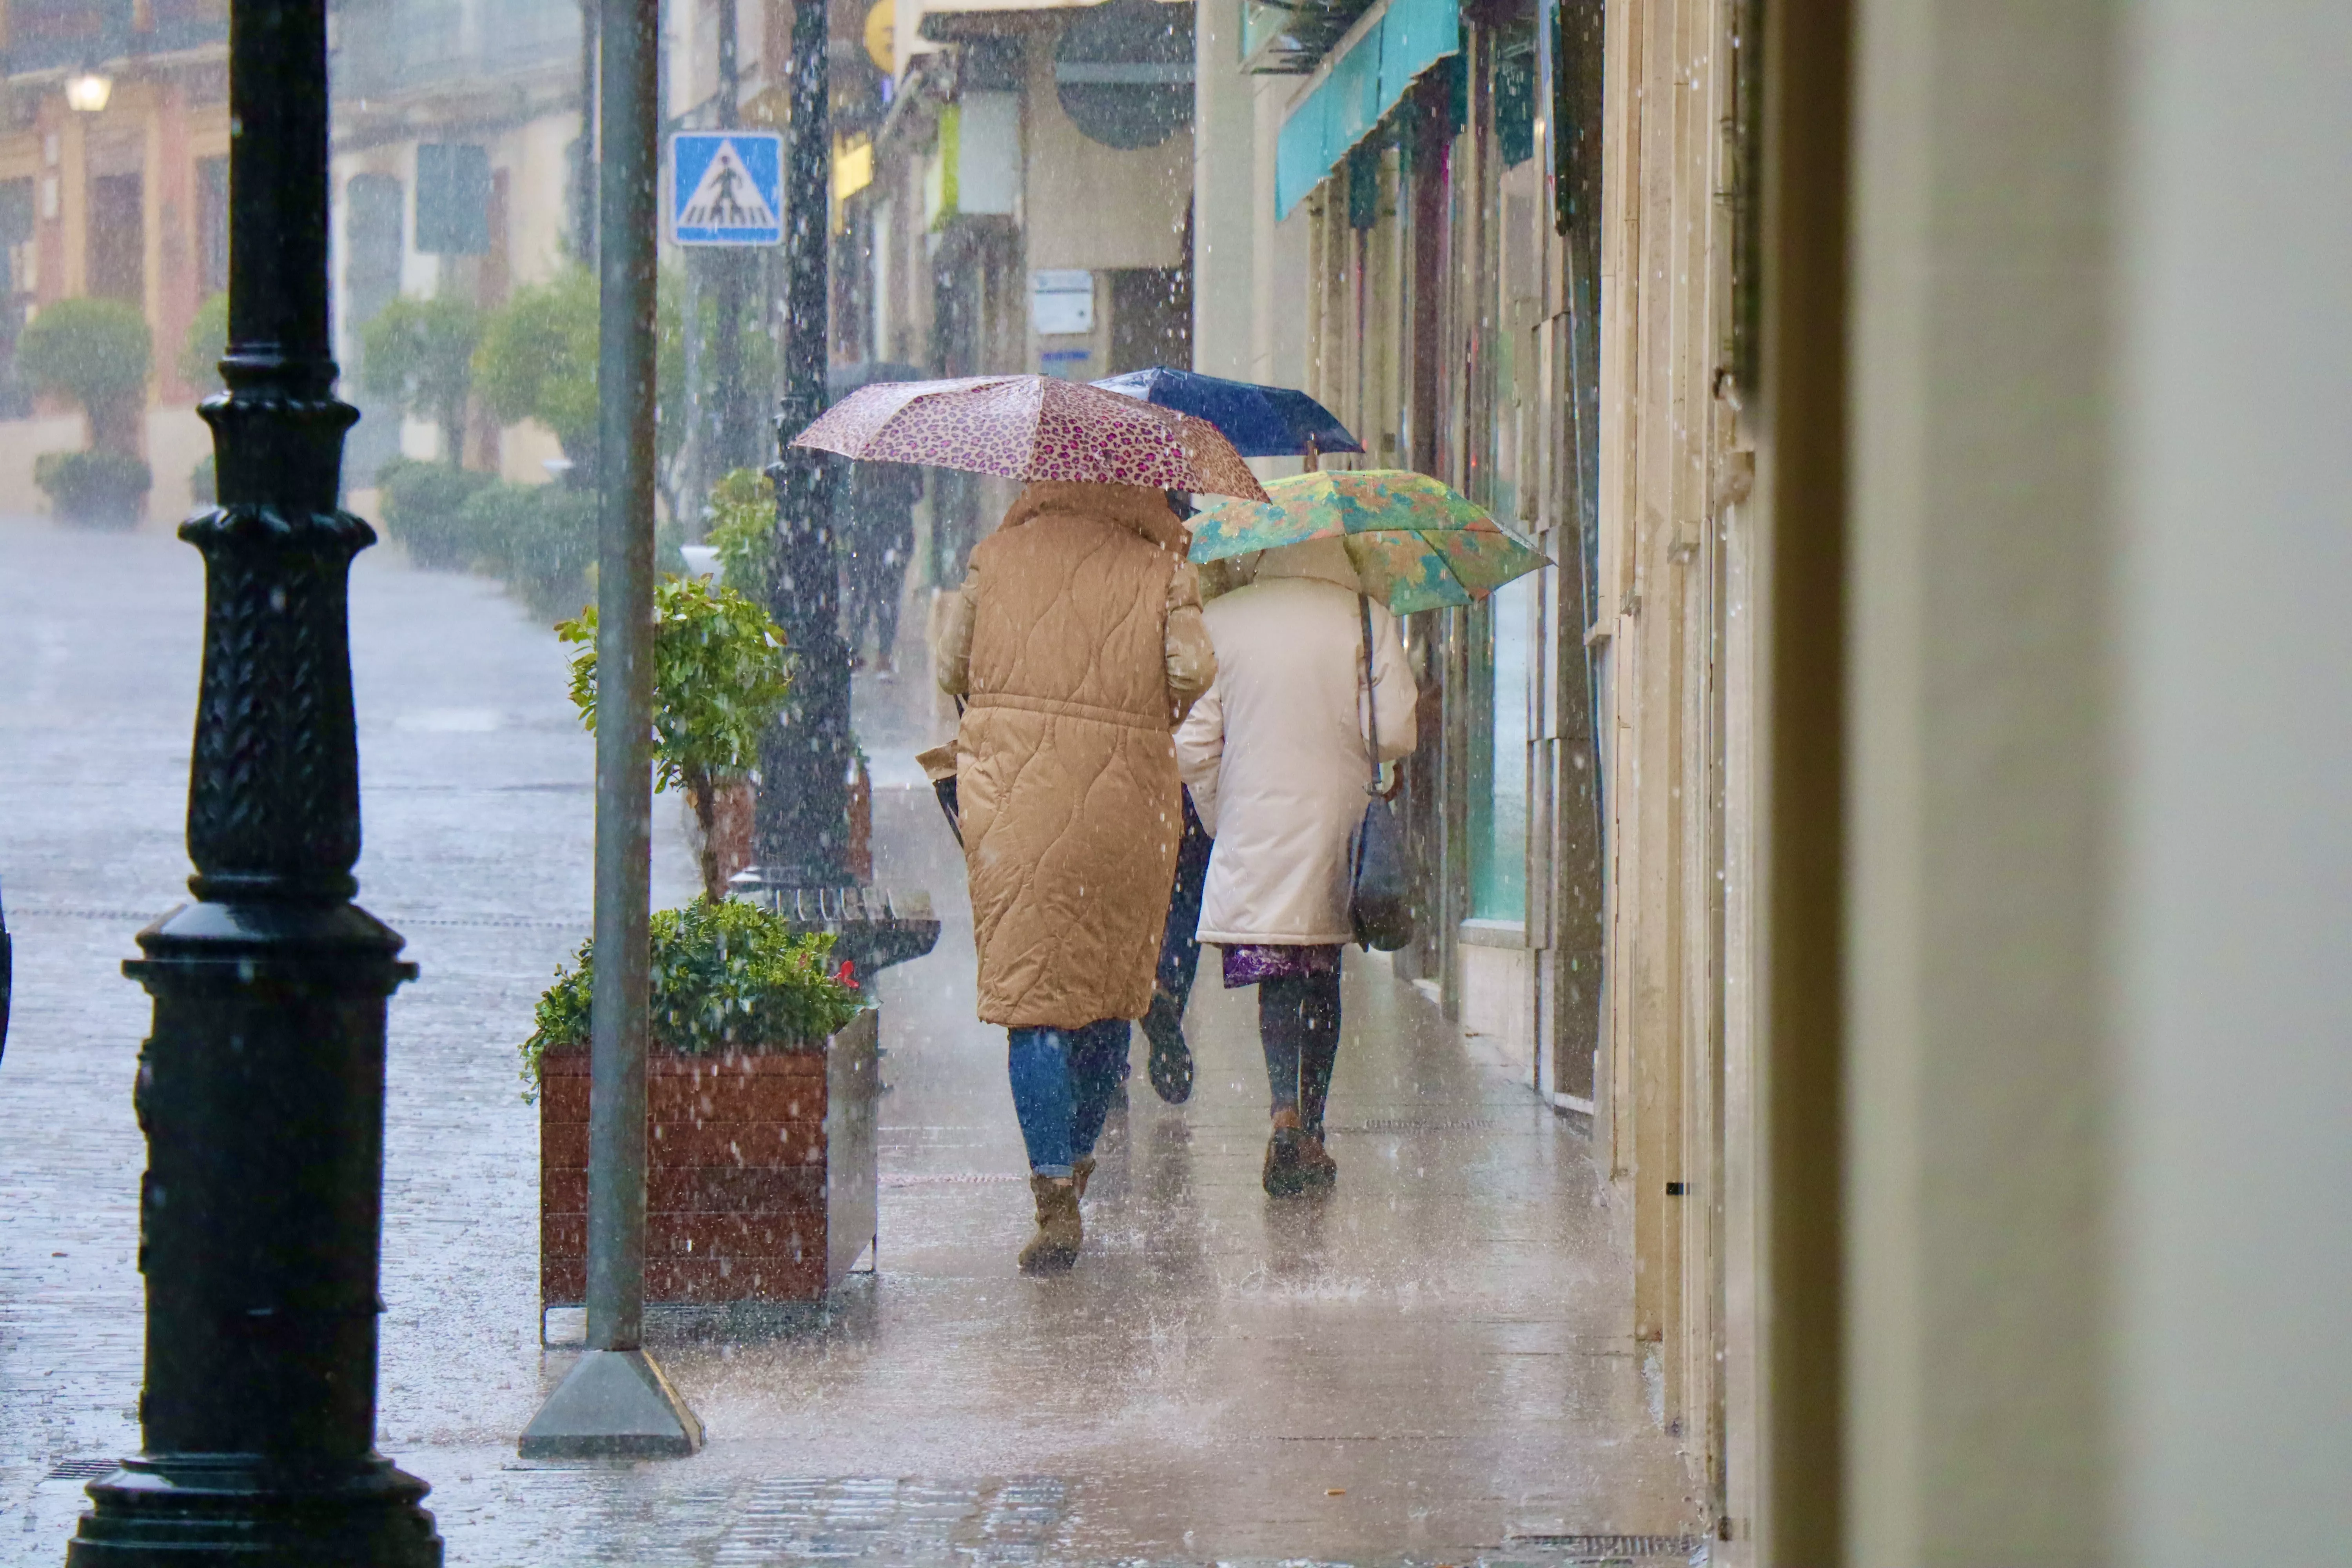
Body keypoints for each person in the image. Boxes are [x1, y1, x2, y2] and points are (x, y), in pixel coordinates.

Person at [938, 479, 1214, 1272]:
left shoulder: (997, 554)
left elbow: (951, 662)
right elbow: (1193, 669)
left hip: (1012, 793)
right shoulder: (1161, 564)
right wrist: (1141, 706)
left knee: (1035, 997)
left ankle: (1053, 1186)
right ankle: (1080, 1153)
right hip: (1125, 802)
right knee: (1106, 993)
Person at [1176, 535, 1416, 1196]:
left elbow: (1193, 747)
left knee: (1276, 972)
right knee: (1320, 972)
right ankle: (1311, 1126)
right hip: (1332, 827)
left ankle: (1282, 1108)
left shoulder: (1222, 620)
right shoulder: (1365, 616)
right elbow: (1396, 732)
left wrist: (1223, 812)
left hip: (1256, 825)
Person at [840, 461, 923, 678]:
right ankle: (867, 654)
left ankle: (877, 655)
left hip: (886, 536)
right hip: (872, 536)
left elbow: (916, 493)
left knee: (878, 597)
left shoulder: (901, 462)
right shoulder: (866, 463)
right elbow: (852, 497)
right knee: (869, 597)